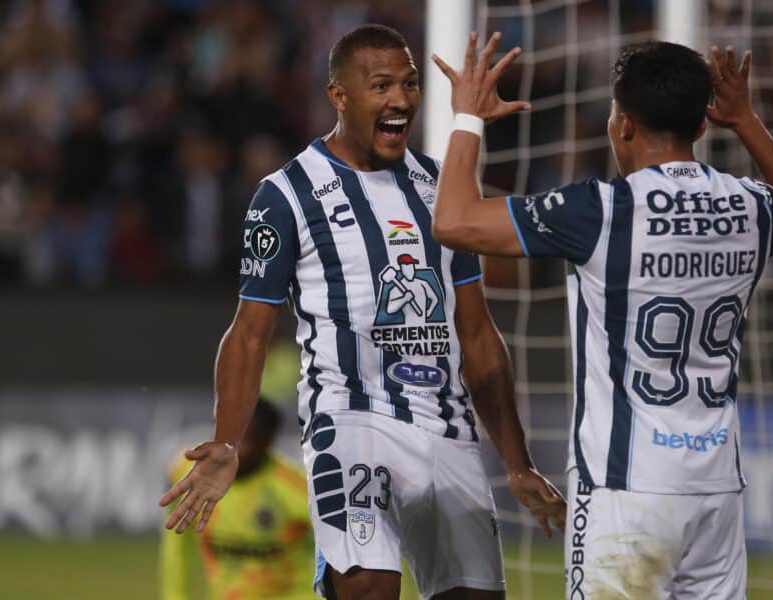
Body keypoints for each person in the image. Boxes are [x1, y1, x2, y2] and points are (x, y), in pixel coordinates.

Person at [159, 24, 565, 600]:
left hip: (447, 429)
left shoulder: (439, 188)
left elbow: (477, 336)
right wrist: (227, 441)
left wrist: (517, 462)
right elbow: (248, 334)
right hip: (350, 421)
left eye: (409, 83)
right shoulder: (287, 193)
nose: (400, 99)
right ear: (339, 96)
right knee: (368, 588)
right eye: (381, 85)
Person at [430, 34, 773, 598]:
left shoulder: (601, 210)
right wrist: (747, 121)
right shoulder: (751, 205)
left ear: (622, 126)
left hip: (626, 491)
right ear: (701, 126)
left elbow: (452, 220)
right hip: (716, 491)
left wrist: (468, 118)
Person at [159, 398, 314, 600]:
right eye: (228, 438)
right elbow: (177, 548)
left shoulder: (296, 488)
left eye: (246, 440)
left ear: (267, 442)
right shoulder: (190, 476)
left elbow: (337, 550)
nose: (233, 449)